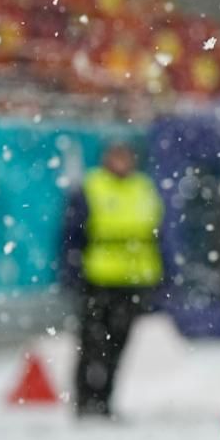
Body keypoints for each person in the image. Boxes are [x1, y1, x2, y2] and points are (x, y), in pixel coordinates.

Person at [59, 140, 162, 421]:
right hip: (98, 279)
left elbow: (159, 235)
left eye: (125, 156)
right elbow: (72, 234)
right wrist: (72, 273)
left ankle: (105, 401)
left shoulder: (143, 188)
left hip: (134, 279)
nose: (121, 162)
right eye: (116, 156)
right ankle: (84, 401)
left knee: (119, 345)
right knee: (91, 343)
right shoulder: (92, 187)